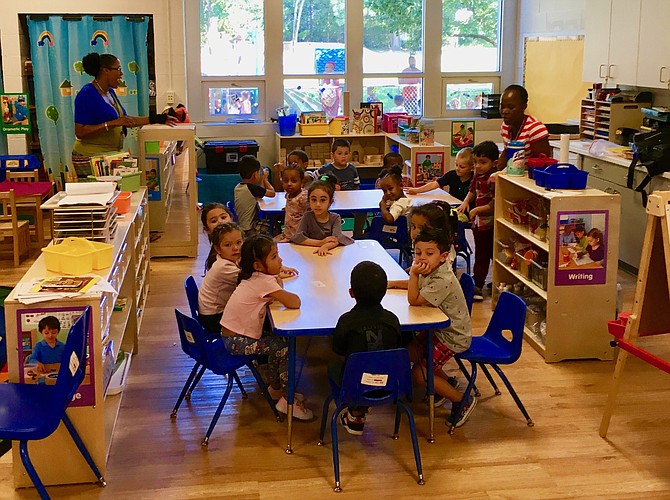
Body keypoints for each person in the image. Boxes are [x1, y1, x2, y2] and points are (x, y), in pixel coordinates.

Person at [388, 228, 476, 427]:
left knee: (418, 374)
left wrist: (412, 273)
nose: (422, 258)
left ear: (443, 256)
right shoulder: (433, 269)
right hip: (439, 331)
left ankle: (461, 400)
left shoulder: (442, 279)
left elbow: (414, 299)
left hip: (452, 336)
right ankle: (446, 383)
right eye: (418, 253)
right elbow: (416, 284)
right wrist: (392, 283)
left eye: (429, 253)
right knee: (409, 353)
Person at [220, 234, 313, 420]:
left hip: (232, 336)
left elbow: (274, 285)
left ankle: (276, 388)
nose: (280, 260)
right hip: (236, 341)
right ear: (258, 266)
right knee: (285, 348)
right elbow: (294, 302)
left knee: (279, 342)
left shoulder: (256, 277)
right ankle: (288, 401)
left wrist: (277, 274)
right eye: (274, 257)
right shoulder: (264, 282)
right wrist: (278, 280)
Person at [329, 261, 402, 435]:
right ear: (385, 292)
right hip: (389, 385)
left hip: (356, 385)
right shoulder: (393, 320)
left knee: (333, 364)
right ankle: (360, 407)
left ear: (351, 293)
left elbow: (339, 354)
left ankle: (353, 410)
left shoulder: (346, 321)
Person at [73, 52, 178, 172]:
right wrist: (113, 123)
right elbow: (80, 132)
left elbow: (126, 120)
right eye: (117, 69)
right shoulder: (87, 94)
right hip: (89, 157)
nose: (121, 74)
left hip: (108, 155)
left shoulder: (109, 92)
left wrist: (158, 119)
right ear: (105, 71)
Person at [457, 141, 498, 301]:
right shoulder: (477, 175)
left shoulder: (494, 179)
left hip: (491, 224)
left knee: (491, 255)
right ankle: (480, 283)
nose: (478, 166)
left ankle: (484, 284)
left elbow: (495, 203)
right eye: (475, 162)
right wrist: (466, 202)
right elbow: (472, 190)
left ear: (494, 163)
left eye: (483, 162)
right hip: (479, 224)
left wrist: (476, 210)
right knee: (481, 254)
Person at [291, 173, 354, 256]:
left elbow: (336, 239)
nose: (317, 204)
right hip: (310, 253)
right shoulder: (307, 216)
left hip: (331, 254)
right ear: (309, 201)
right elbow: (298, 237)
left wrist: (326, 247)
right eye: (313, 200)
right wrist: (320, 243)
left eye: (323, 200)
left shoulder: (335, 218)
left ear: (330, 202)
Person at [198, 223, 244, 332]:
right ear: (218, 249)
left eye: (239, 242)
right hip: (213, 318)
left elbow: (251, 264)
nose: (235, 248)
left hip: (212, 313)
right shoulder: (223, 267)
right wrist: (275, 273)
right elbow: (251, 280)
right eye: (228, 245)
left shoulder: (232, 259)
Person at [498, 84, 551, 169]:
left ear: (524, 106)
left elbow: (544, 163)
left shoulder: (535, 128)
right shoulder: (505, 126)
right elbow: (508, 151)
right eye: (502, 107)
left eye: (511, 107)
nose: (505, 111)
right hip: (513, 174)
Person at [408, 148, 475, 210]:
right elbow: (435, 184)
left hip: (467, 208)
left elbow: (473, 193)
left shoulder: (474, 179)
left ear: (472, 168)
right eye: (456, 165)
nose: (457, 168)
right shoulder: (452, 175)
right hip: (453, 205)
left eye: (462, 167)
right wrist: (417, 190)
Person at [233, 155, 276, 236]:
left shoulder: (239, 186)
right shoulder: (252, 188)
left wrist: (262, 179)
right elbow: (272, 193)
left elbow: (260, 193)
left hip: (241, 226)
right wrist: (266, 180)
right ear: (255, 174)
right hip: (249, 230)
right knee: (275, 226)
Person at [274, 163, 309, 243]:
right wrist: (288, 208)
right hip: (287, 234)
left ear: (302, 182)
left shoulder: (304, 198)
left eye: (294, 181)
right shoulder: (289, 195)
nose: (289, 184)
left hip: (299, 237)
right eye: (286, 181)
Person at [201, 203, 235, 273]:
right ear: (207, 229)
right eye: (214, 221)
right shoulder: (216, 260)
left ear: (231, 218)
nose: (220, 222)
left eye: (223, 217)